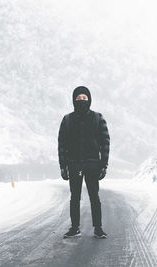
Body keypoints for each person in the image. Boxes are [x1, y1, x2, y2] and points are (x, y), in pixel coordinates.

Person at [58, 86, 110, 239]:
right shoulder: (67, 120)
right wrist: (63, 166)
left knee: (95, 196)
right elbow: (62, 144)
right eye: (79, 98)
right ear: (74, 100)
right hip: (74, 164)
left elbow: (105, 142)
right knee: (75, 197)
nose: (81, 101)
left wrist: (104, 164)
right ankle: (75, 228)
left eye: (84, 98)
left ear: (89, 100)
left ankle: (98, 228)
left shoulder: (98, 118)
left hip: (93, 164)